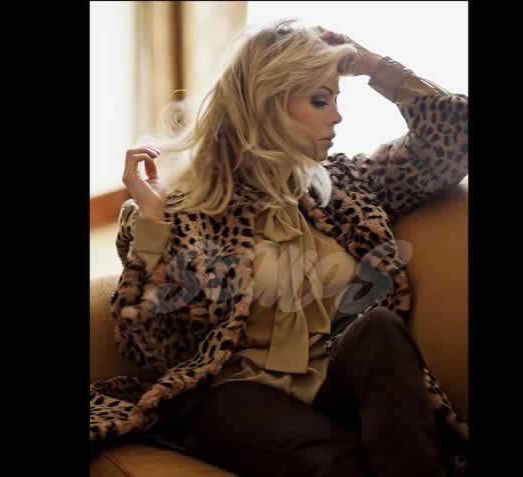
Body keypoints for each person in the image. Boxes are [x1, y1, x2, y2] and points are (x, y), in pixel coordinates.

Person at [90, 18, 469, 477]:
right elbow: (147, 345)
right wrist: (152, 223)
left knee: (379, 328)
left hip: (332, 385)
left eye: (336, 99)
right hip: (237, 396)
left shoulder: (349, 186)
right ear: (268, 104)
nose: (337, 117)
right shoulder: (183, 212)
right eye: (319, 100)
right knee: (342, 463)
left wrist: (374, 66)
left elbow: (456, 135)